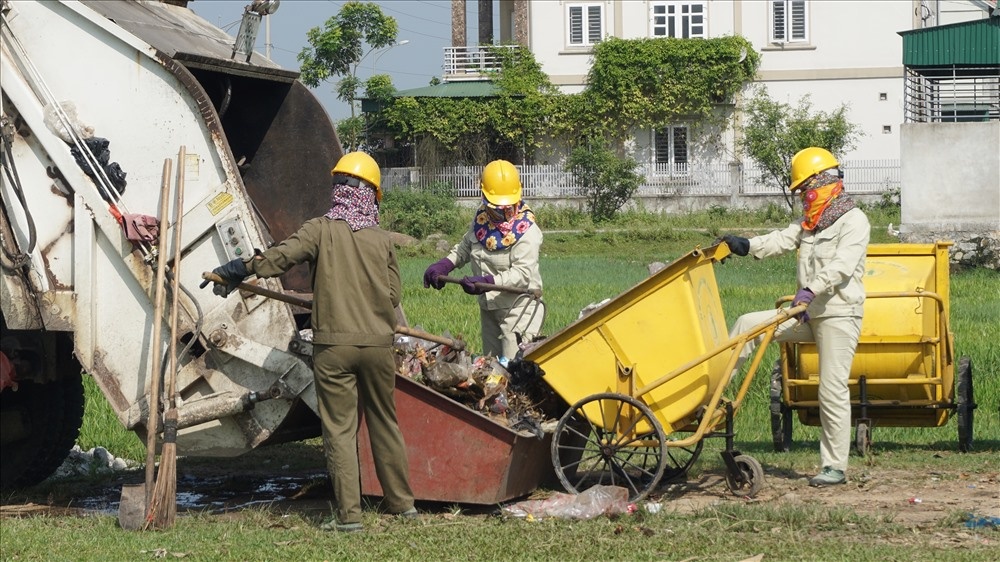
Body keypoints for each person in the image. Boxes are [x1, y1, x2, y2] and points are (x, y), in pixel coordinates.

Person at [207, 151, 416, 532]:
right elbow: (393, 294)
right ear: (371, 195)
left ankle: (350, 518)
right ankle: (402, 505)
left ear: (337, 190)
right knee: (385, 422)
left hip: (334, 348)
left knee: (340, 428)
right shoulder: (380, 239)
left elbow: (281, 258)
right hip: (379, 347)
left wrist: (239, 269)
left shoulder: (319, 229)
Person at [720, 146, 870, 488]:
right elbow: (782, 239)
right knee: (748, 324)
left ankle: (834, 466)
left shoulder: (855, 220)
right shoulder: (812, 222)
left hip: (837, 314)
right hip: (806, 312)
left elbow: (842, 266)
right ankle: (708, 396)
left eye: (804, 189)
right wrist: (744, 246)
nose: (802, 196)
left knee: (831, 388)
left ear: (823, 181)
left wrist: (810, 290)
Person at [422, 159, 544, 360]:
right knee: (490, 369)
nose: (502, 210)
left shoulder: (528, 231)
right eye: (496, 206)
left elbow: (521, 275)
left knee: (513, 372)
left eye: (507, 205)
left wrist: (487, 283)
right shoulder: (482, 219)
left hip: (519, 311)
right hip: (489, 309)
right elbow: (464, 249)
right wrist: (444, 265)